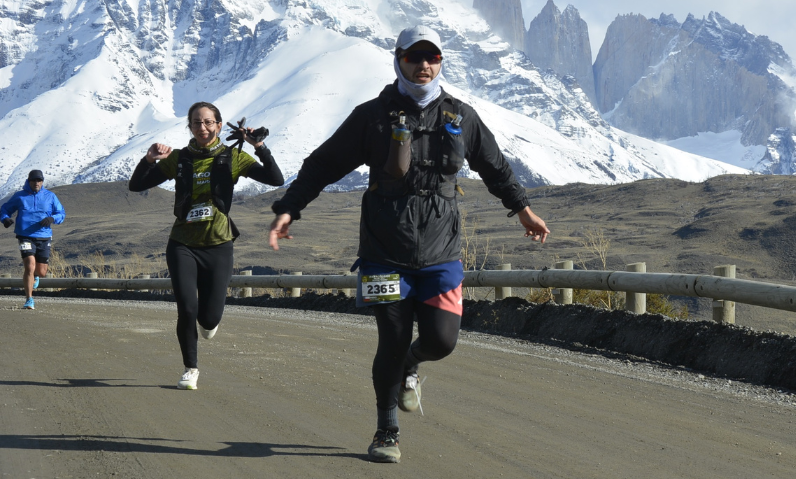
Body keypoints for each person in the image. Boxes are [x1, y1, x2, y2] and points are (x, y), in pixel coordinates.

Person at [267, 25, 550, 464]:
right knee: (392, 339)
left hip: (441, 249)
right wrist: (290, 208)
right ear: (397, 59)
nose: (423, 66)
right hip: (384, 249)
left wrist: (522, 210)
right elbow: (323, 164)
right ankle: (386, 431)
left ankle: (413, 367)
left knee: (441, 341)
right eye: (414, 57)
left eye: (432, 58)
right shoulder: (372, 116)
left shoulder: (461, 116)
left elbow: (496, 167)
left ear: (441, 62)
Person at [129, 102, 284, 390]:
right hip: (182, 243)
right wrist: (148, 160)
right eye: (196, 123)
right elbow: (136, 185)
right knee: (187, 308)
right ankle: (191, 368)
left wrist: (258, 146)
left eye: (208, 122)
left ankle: (209, 323)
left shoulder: (233, 157)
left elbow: (276, 179)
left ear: (219, 126)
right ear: (189, 126)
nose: (202, 128)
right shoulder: (179, 158)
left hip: (218, 244)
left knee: (209, 318)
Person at [1, 170, 65, 310]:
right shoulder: (20, 196)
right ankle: (29, 299)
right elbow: (5, 208)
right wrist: (5, 219)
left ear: (42, 181)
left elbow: (61, 213)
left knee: (41, 272)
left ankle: (36, 276)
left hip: (44, 236)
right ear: (29, 181)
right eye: (34, 180)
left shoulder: (50, 196)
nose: (36, 183)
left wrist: (52, 218)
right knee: (29, 265)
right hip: (25, 235)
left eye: (39, 180)